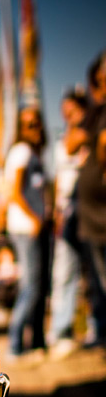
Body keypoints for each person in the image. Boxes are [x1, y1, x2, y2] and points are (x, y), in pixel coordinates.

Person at [4, 106, 50, 359]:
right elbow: (14, 192)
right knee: (31, 286)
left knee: (38, 285)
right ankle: (15, 343)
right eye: (28, 124)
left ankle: (36, 342)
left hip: (34, 226)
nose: (34, 128)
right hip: (25, 227)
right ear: (20, 128)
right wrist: (34, 219)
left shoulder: (35, 153)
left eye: (36, 122)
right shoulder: (21, 151)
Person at [48, 90, 89, 358]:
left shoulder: (86, 132)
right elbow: (58, 178)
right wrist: (56, 211)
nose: (67, 117)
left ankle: (92, 326)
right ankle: (60, 330)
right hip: (67, 209)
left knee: (90, 273)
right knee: (64, 272)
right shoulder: (65, 136)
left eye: (71, 111)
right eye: (64, 112)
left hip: (85, 207)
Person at [76, 51, 106, 347]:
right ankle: (101, 331)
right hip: (93, 213)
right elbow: (72, 142)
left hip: (100, 211)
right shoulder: (97, 113)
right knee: (98, 279)